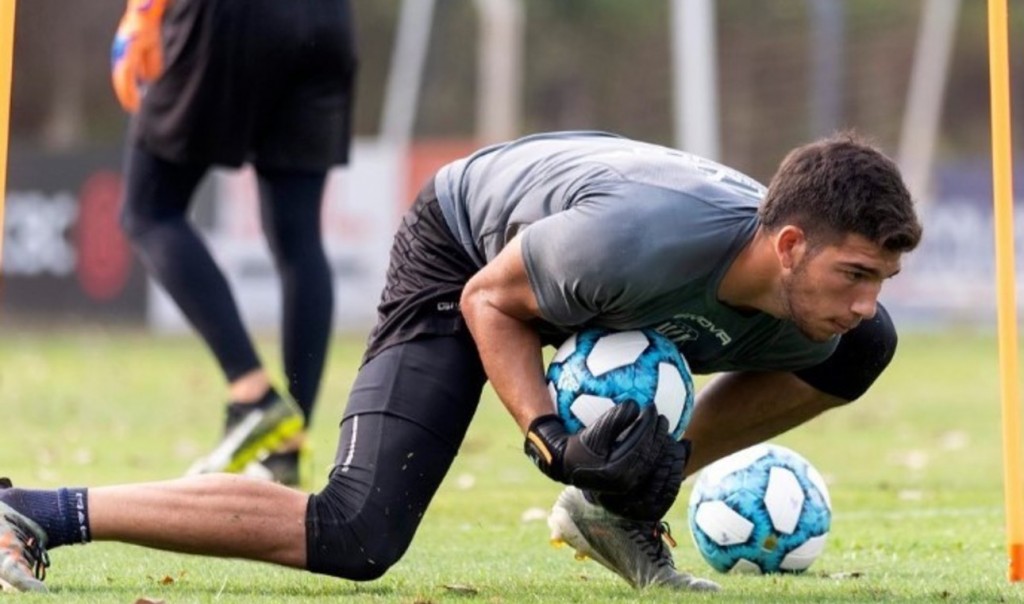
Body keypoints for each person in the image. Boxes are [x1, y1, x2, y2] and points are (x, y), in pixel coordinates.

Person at [0, 130, 922, 593]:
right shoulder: (634, 243)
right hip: (469, 252)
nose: (863, 302)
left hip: (597, 288)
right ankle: (33, 510)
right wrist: (555, 438)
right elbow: (491, 300)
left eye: (881, 279)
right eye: (853, 274)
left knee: (859, 355)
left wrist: (648, 465)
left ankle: (618, 507)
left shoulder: (833, 322)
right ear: (791, 243)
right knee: (357, 532)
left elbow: (844, 331)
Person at [109, 0, 359, 485]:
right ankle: (286, 443)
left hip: (228, 19)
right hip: (327, 21)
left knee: (149, 208)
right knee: (299, 236)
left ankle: (253, 396)